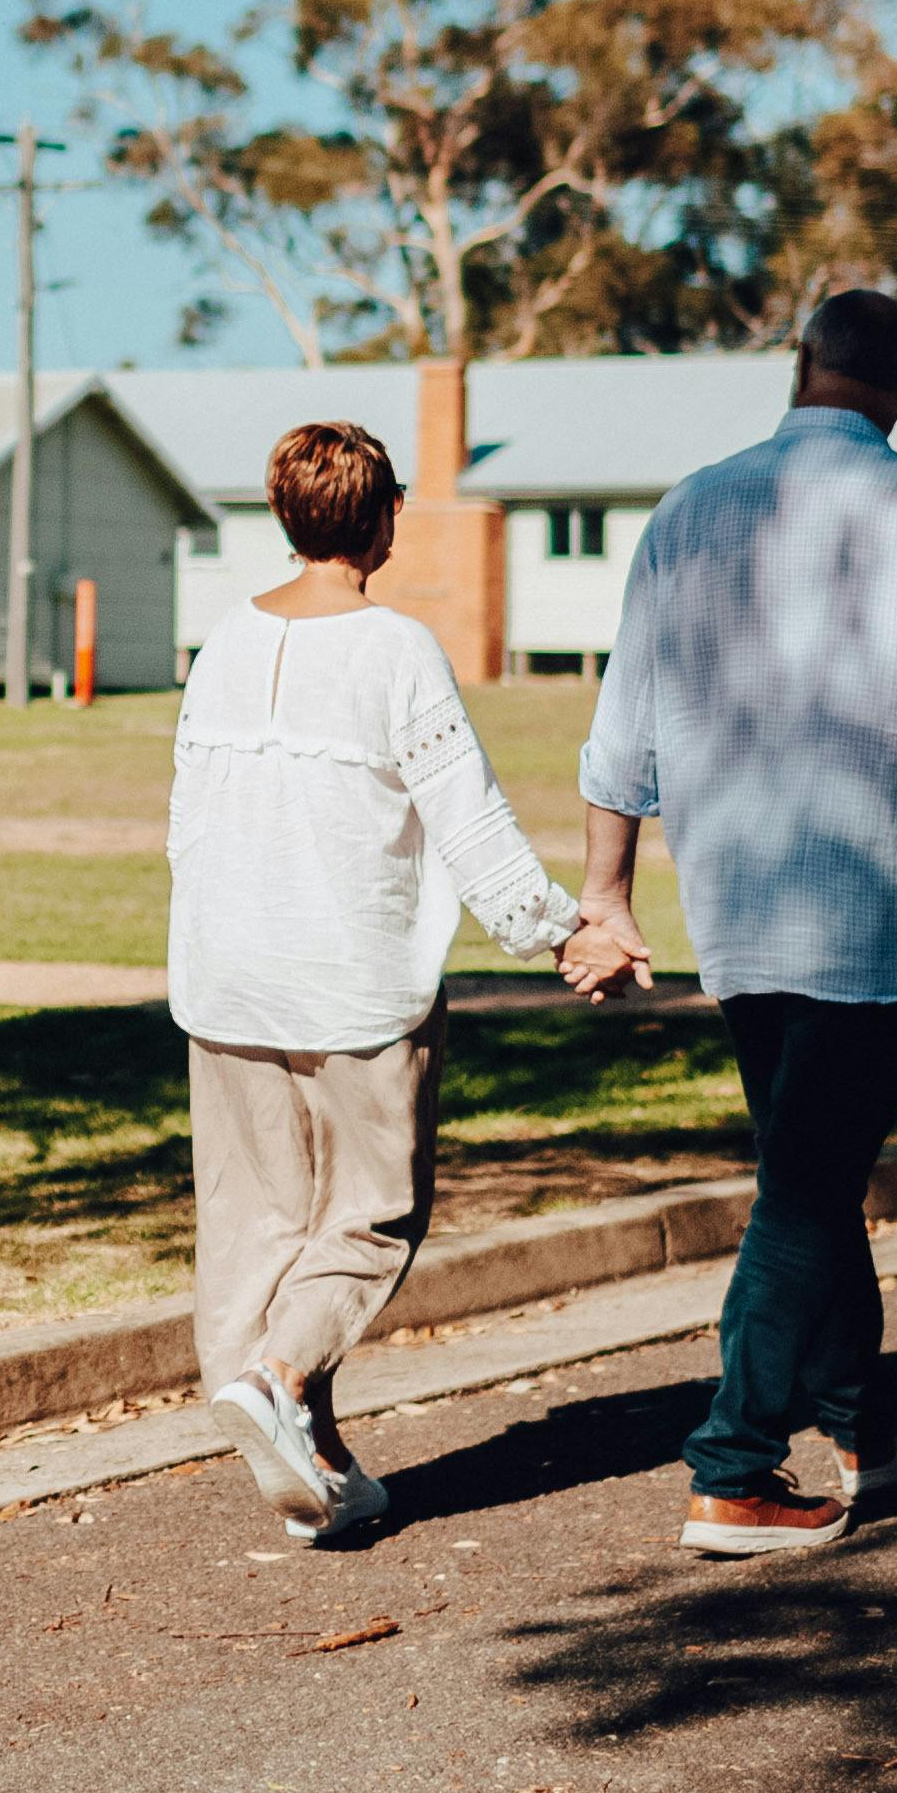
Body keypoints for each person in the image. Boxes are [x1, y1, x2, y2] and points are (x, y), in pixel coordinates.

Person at [560, 285, 897, 1560]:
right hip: (870, 909)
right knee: (804, 1187)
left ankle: (860, 1419)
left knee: (813, 1168)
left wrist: (608, 893)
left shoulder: (689, 510)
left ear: (796, 372)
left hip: (733, 903)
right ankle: (733, 1467)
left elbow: (621, 725)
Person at [172, 416, 584, 1546]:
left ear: (285, 515)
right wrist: (557, 933)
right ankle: (281, 1376)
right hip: (351, 982)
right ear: (386, 517)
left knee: (259, 1221)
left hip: (226, 977)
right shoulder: (396, 648)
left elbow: (185, 823)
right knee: (369, 1215)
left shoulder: (222, 642)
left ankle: (314, 1461)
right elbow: (472, 822)